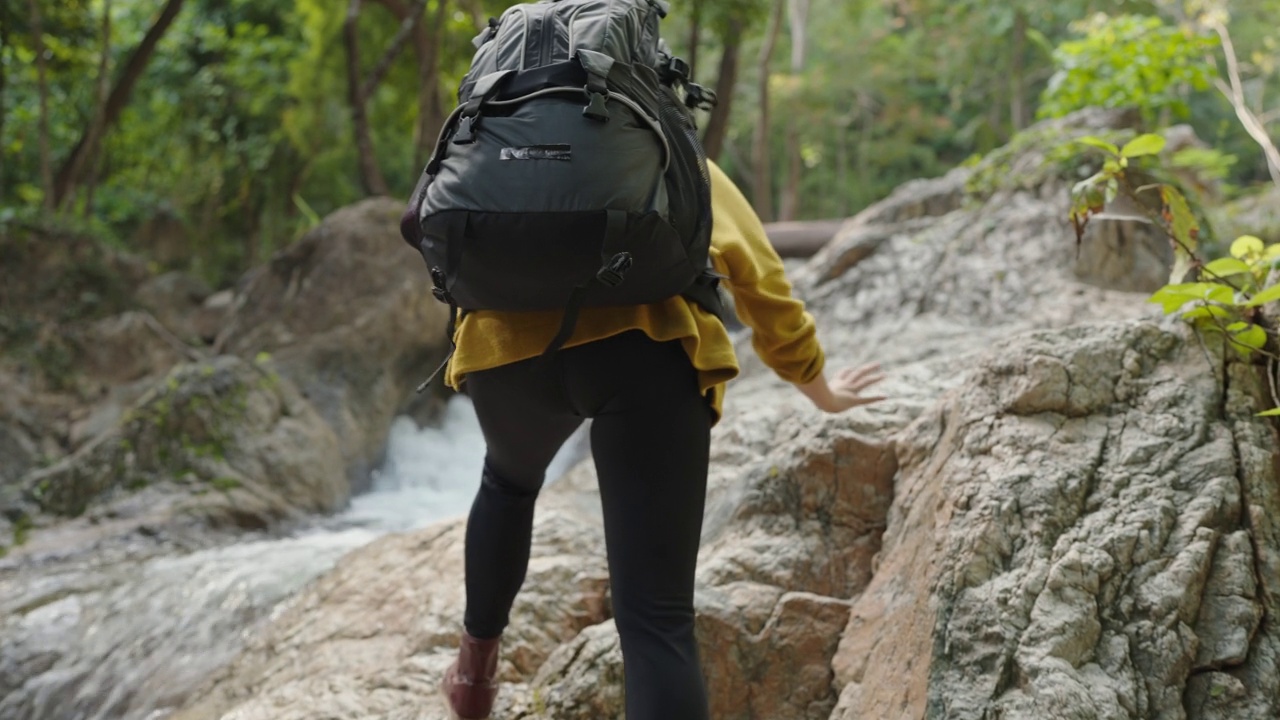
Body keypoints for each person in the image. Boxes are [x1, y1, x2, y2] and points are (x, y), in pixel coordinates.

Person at [438, 160, 887, 720]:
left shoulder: (494, 133)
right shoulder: (664, 143)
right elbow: (758, 277)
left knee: (506, 481)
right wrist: (817, 385)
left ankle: (473, 677)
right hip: (647, 349)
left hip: (504, 354)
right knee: (656, 619)